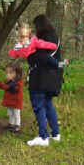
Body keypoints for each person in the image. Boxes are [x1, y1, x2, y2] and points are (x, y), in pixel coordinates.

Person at [26, 14, 63, 146]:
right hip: (53, 77)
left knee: (38, 105)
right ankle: (55, 133)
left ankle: (43, 137)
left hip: (41, 77)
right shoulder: (55, 38)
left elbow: (39, 57)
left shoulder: (43, 40)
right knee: (48, 104)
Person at [0, 62, 24, 133]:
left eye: (11, 73)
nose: (8, 75)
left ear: (17, 74)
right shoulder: (9, 82)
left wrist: (3, 86)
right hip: (9, 101)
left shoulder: (19, 83)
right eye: (7, 73)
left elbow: (15, 89)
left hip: (16, 101)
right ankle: (11, 123)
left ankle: (17, 125)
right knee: (10, 112)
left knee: (16, 113)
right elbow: (4, 87)